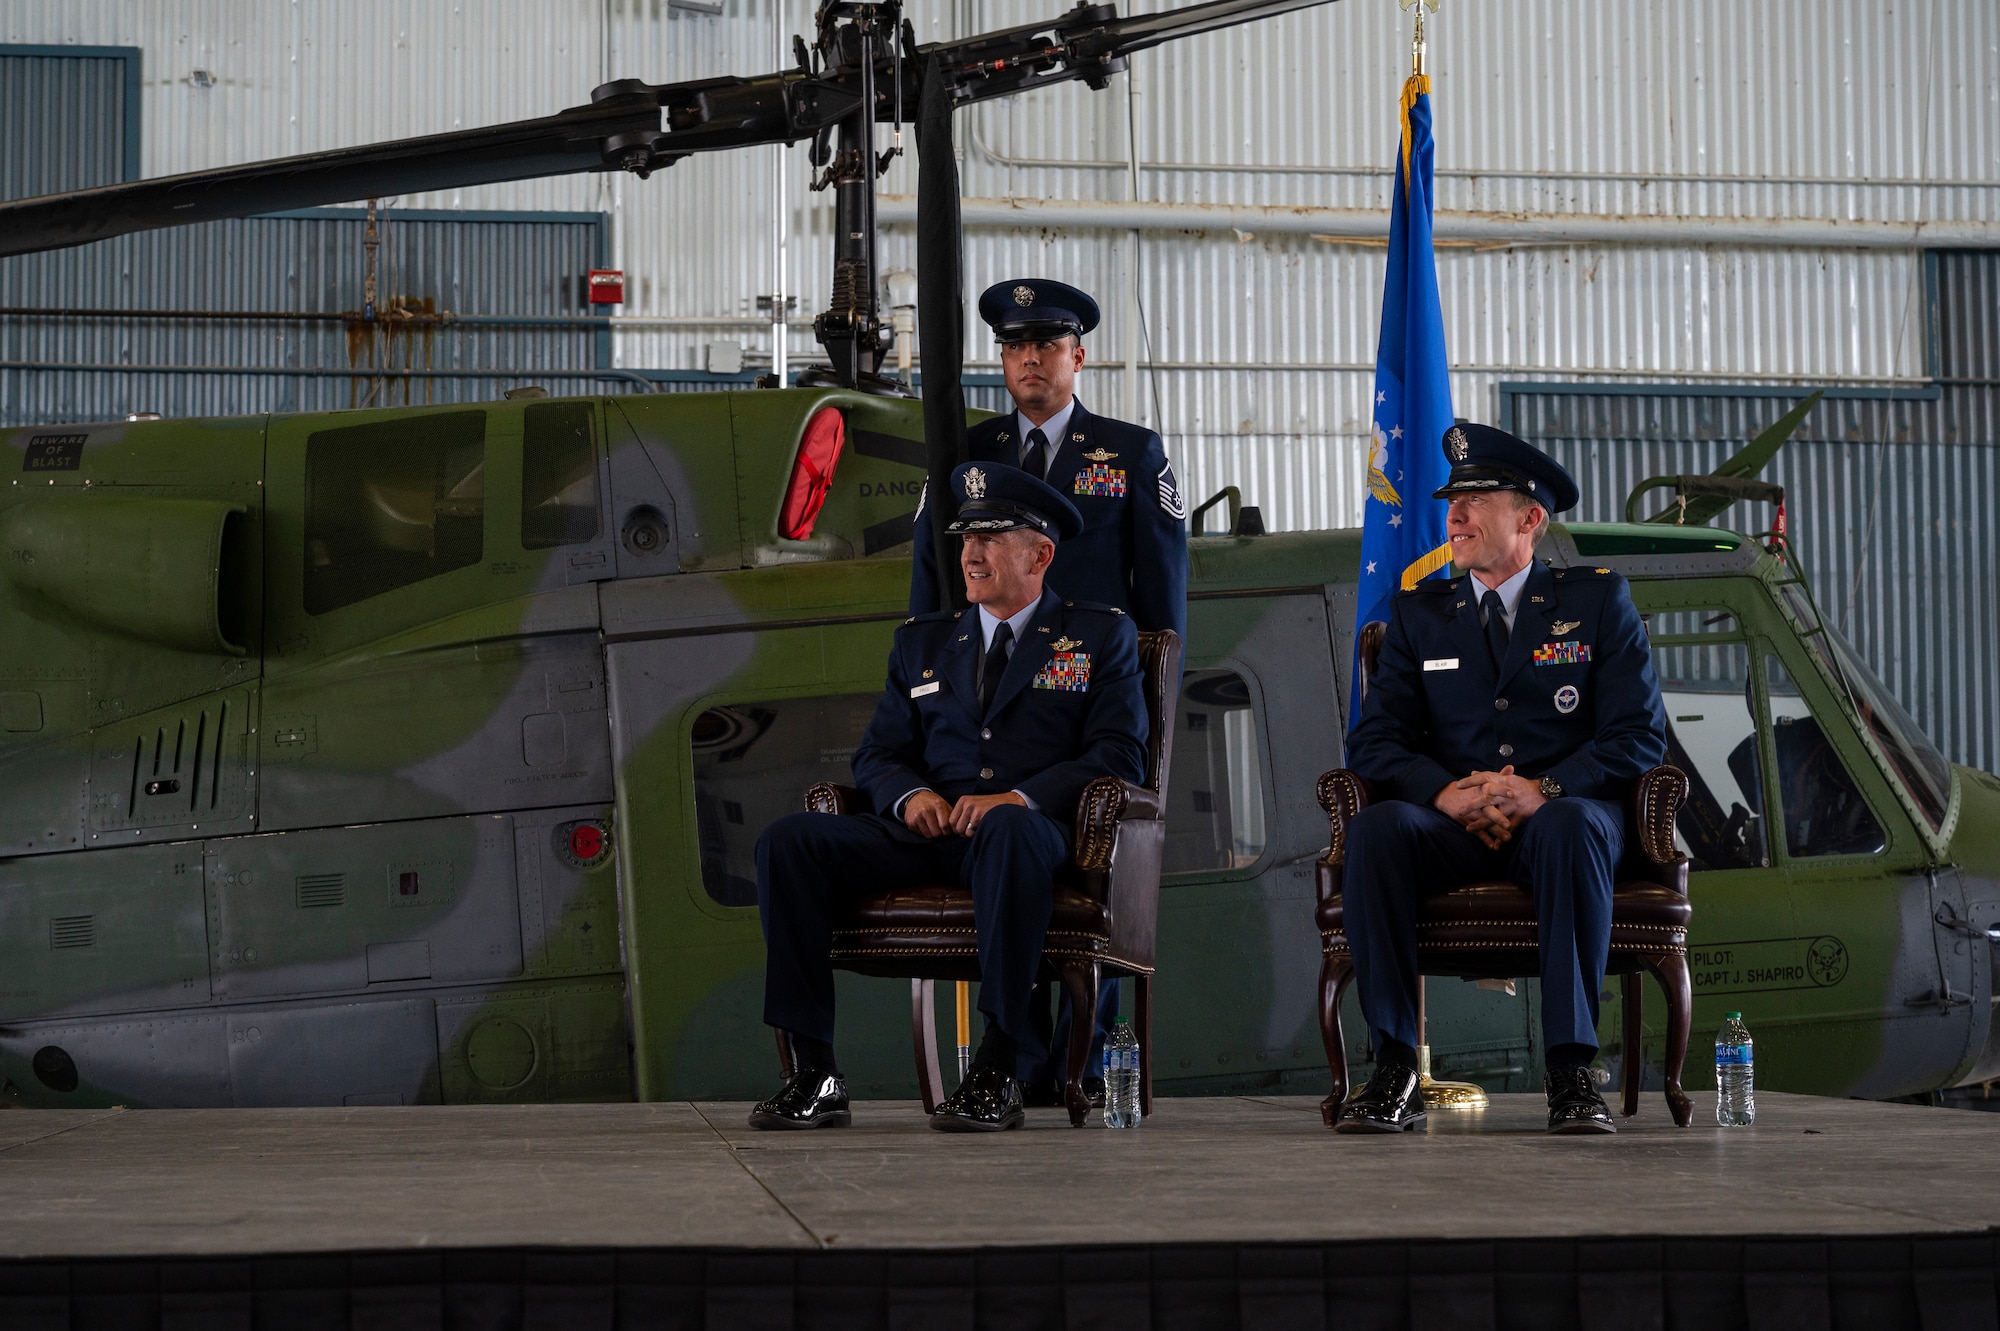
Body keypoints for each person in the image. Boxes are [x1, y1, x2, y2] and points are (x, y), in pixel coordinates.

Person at [751, 462, 1149, 1132]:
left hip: (1029, 838)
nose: (970, 551)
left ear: (1040, 553)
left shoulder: (1099, 637)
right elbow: (879, 752)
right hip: (925, 836)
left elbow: (1118, 755)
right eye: (967, 536)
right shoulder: (923, 642)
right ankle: (813, 1070)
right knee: (788, 842)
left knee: (1010, 834)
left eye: (991, 537)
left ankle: (999, 1067)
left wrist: (1018, 798)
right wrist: (909, 797)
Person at [1338, 423, 1668, 1136]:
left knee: (1574, 825)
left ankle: (1572, 1072)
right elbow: (1374, 738)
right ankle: (1395, 1065)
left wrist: (1546, 787)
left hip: (1558, 818)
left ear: (1530, 518)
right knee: (1377, 830)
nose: (1455, 514)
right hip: (1453, 822)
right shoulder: (1419, 614)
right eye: (1453, 499)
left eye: (1476, 498)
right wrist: (1439, 790)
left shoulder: (1597, 602)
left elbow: (1639, 734)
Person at [909, 277, 1189, 1099]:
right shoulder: (966, 456)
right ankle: (1019, 1063)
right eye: (1013, 345)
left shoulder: (1131, 454)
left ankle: (1090, 1060)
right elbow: (932, 595)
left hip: (1091, 712)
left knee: (1092, 876)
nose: (1029, 358)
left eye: (1046, 344)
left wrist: (1149, 725)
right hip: (991, 706)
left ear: (1079, 355)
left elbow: (1162, 608)